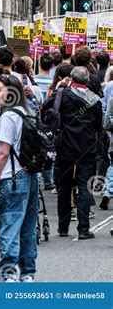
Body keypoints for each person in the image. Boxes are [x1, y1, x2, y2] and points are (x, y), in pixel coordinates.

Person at [0, 75, 39, 282]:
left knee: (9, 226)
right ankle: (27, 273)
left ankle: (9, 274)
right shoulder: (28, 111)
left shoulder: (8, 116)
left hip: (11, 178)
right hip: (30, 176)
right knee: (27, 228)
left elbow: (2, 153)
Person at [43, 66, 102, 239]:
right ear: (87, 81)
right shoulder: (95, 100)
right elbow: (98, 126)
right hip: (87, 147)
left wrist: (59, 87)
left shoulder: (63, 94)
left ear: (71, 78)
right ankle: (83, 229)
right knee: (84, 187)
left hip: (65, 147)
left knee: (64, 187)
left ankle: (63, 227)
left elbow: (46, 107)